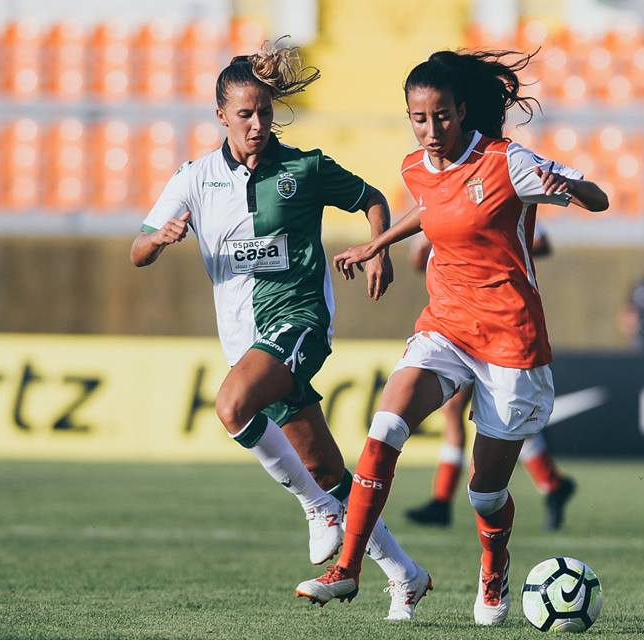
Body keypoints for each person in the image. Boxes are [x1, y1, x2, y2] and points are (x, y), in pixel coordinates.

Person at [296, 49, 608, 625]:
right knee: (385, 424)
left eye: (442, 116)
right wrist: (376, 243)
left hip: (511, 342)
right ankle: (349, 567)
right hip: (446, 324)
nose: (431, 129)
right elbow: (430, 206)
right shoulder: (416, 165)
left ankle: (494, 568)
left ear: (463, 111)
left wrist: (565, 185)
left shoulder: (506, 161)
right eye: (420, 118)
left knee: (485, 492)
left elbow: (598, 198)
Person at [129, 43, 428, 621]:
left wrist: (377, 252)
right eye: (246, 114)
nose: (258, 124)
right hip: (246, 340)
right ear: (221, 115)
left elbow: (371, 198)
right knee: (326, 468)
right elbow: (137, 251)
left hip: (298, 322)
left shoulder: (304, 169)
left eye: (265, 112)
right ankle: (405, 573)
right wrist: (160, 239)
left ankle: (316, 510)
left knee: (232, 404)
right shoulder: (194, 179)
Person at [403, 224, 577, 531]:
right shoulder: (433, 194)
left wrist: (491, 254)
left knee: (505, 412)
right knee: (457, 410)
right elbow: (420, 260)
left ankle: (550, 482)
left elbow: (542, 242)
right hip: (456, 321)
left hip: (497, 320)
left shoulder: (496, 188)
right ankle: (442, 500)